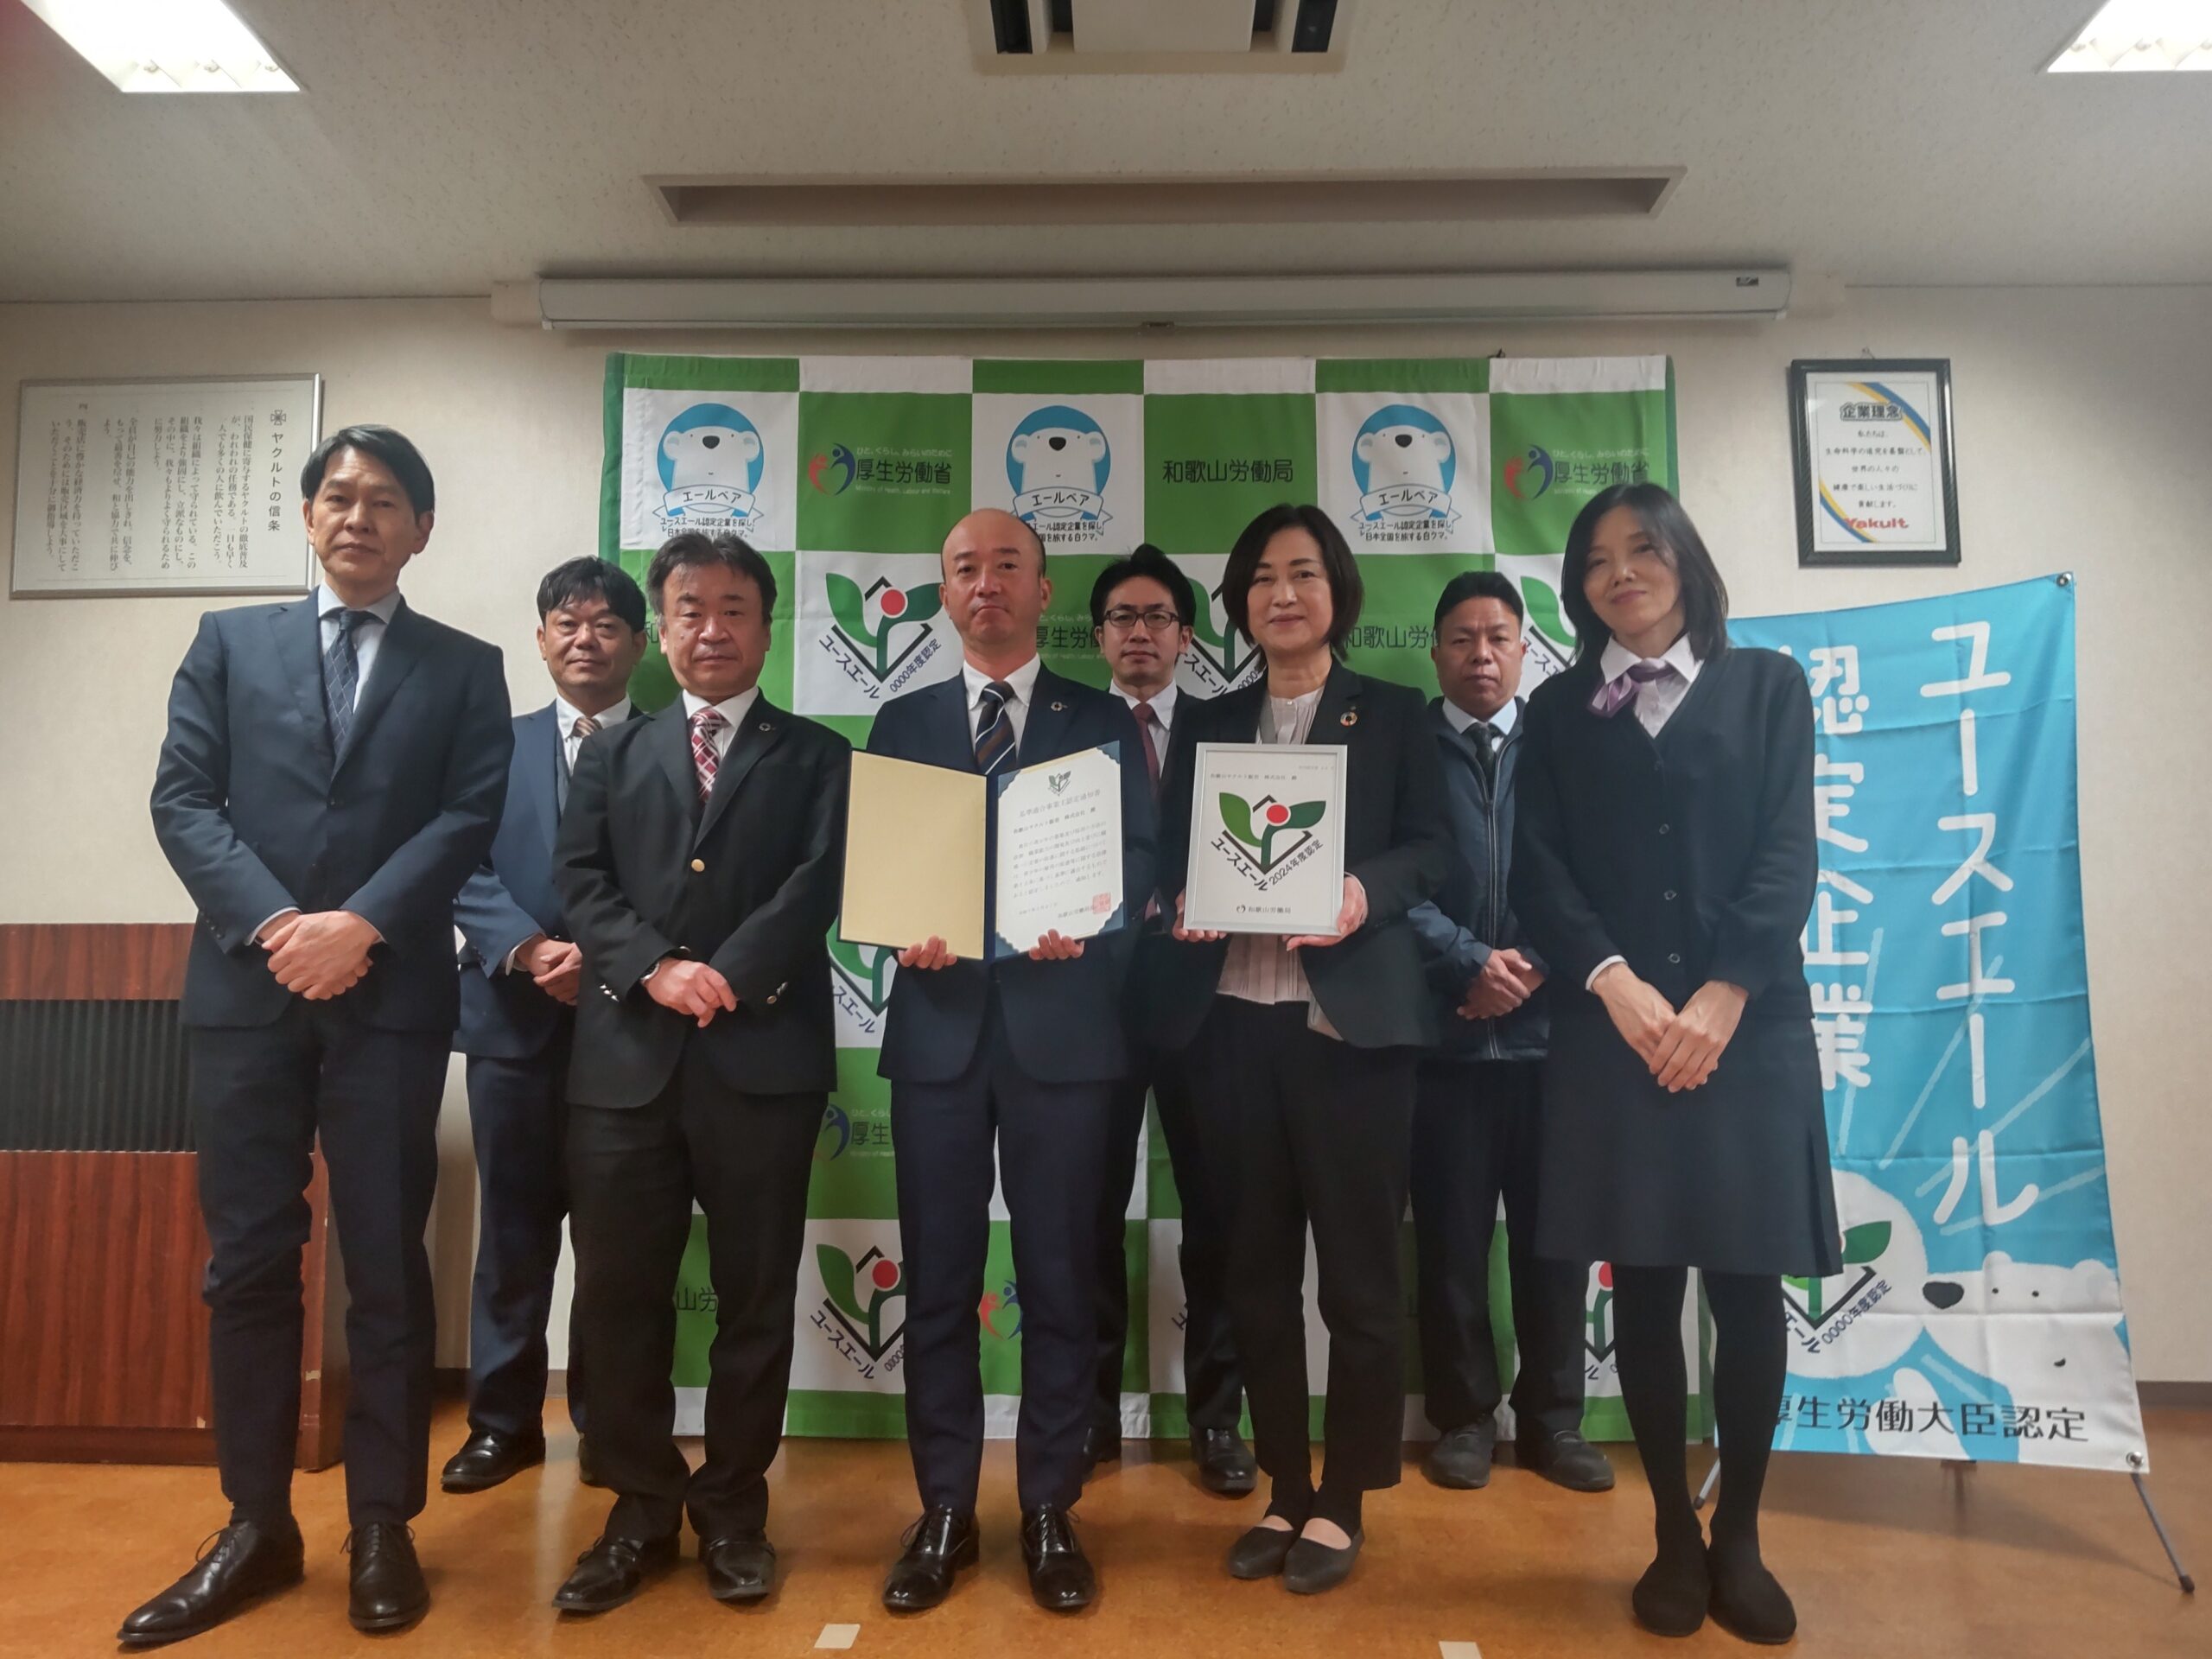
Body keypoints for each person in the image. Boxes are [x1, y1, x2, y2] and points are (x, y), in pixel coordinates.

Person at [135, 425, 512, 1643]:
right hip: (247, 996)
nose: (358, 517)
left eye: (385, 500)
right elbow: (183, 800)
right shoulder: (228, 643)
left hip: (389, 999)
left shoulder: (465, 667)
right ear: (307, 518)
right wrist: (279, 926)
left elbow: (469, 816)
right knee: (248, 1262)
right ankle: (256, 1523)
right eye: (338, 497)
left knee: (388, 1265)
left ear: (421, 530)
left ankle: (382, 1523)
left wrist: (360, 926)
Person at [1510, 482, 1839, 1644]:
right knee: (1643, 1285)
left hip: (1750, 1031)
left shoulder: (1768, 687)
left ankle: (1737, 1532)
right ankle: (1668, 1532)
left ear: (1686, 561)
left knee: (1747, 1290)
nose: (1620, 573)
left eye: (1642, 549)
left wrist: (1722, 993)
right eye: (1596, 559)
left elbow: (1789, 852)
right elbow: (1537, 868)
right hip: (1614, 1034)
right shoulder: (1556, 709)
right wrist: (1615, 984)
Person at [549, 531, 850, 1616]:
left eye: (733, 609)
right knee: (617, 1297)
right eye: (689, 609)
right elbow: (579, 882)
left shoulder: (818, 755)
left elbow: (818, 883)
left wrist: (726, 974)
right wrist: (656, 968)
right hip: (624, 1065)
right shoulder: (611, 752)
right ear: (661, 629)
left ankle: (732, 1510)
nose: (711, 629)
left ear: (767, 627)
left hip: (761, 1063)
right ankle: (638, 1507)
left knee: (755, 1298)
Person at [1157, 503, 1452, 1596]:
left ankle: (1345, 1498)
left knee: (1361, 1284)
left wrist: (1361, 891)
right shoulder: (1206, 723)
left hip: (1350, 1032)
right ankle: (1285, 1485)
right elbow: (1170, 856)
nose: (1282, 594)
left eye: (1305, 574)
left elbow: (1436, 851)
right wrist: (1180, 902)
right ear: (1240, 603)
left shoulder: (1396, 712)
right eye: (1262, 578)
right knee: (1253, 1276)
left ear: (1338, 593)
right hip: (1231, 1025)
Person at [868, 509, 1154, 1615]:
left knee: (1060, 1280)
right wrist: (900, 927)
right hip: (938, 1035)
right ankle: (943, 1506)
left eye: (1007, 566)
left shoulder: (1100, 718)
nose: (985, 583)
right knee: (938, 1285)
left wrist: (1095, 916)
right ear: (944, 594)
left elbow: (1140, 857)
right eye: (964, 568)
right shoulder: (901, 720)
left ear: (1043, 590)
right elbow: (878, 868)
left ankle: (1048, 1505)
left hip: (1063, 1035)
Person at [443, 556, 650, 1496]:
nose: (585, 640)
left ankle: (609, 1427)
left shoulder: (671, 746)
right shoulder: (492, 743)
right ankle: (502, 1425)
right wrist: (529, 950)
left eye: (605, 625)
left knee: (618, 1245)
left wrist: (602, 962)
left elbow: (683, 877)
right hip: (511, 1024)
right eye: (567, 624)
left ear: (638, 644)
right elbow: (455, 860)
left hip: (631, 1032)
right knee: (513, 1238)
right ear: (540, 640)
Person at [1407, 573, 1612, 1497]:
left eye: (1497, 637)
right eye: (1461, 638)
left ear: (1527, 650)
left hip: (1554, 1043)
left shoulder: (1569, 741)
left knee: (1554, 1243)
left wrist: (1529, 963)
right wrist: (1466, 963)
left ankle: (1553, 1420)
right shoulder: (1404, 748)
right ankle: (1461, 1418)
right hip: (1441, 1041)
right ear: (1435, 652)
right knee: (1450, 1244)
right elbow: (1378, 876)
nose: (1480, 655)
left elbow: (1597, 872)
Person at [1084, 546, 1256, 1497]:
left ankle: (1217, 1421)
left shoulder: (1231, 728)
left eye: (1158, 618)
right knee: (1086, 1218)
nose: (1140, 633)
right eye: (1123, 617)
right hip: (1093, 1006)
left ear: (1187, 637)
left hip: (1208, 1000)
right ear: (1099, 636)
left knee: (1218, 1219)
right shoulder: (1069, 730)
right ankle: (1090, 1414)